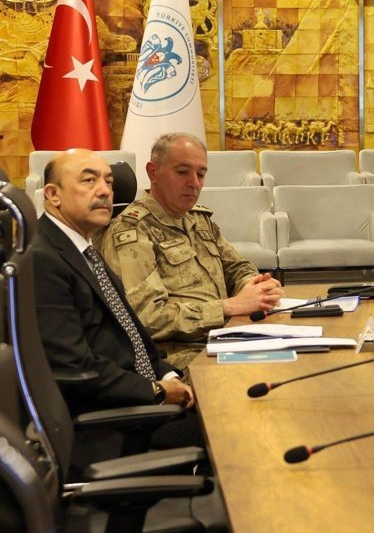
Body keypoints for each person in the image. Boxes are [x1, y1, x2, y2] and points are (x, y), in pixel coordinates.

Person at [33, 149, 202, 449]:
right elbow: (75, 369)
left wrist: (168, 376)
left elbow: (131, 334)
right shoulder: (43, 260)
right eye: (89, 181)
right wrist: (157, 391)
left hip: (140, 402)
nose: (104, 191)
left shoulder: (84, 249)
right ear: (53, 194)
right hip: (111, 427)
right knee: (233, 424)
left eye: (109, 182)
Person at [98, 133, 283, 371]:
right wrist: (227, 307)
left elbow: (237, 267)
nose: (194, 182)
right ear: (153, 172)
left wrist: (255, 287)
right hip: (181, 355)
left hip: (226, 336)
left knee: (294, 361)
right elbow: (146, 317)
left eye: (201, 174)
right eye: (182, 172)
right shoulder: (131, 230)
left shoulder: (198, 219)